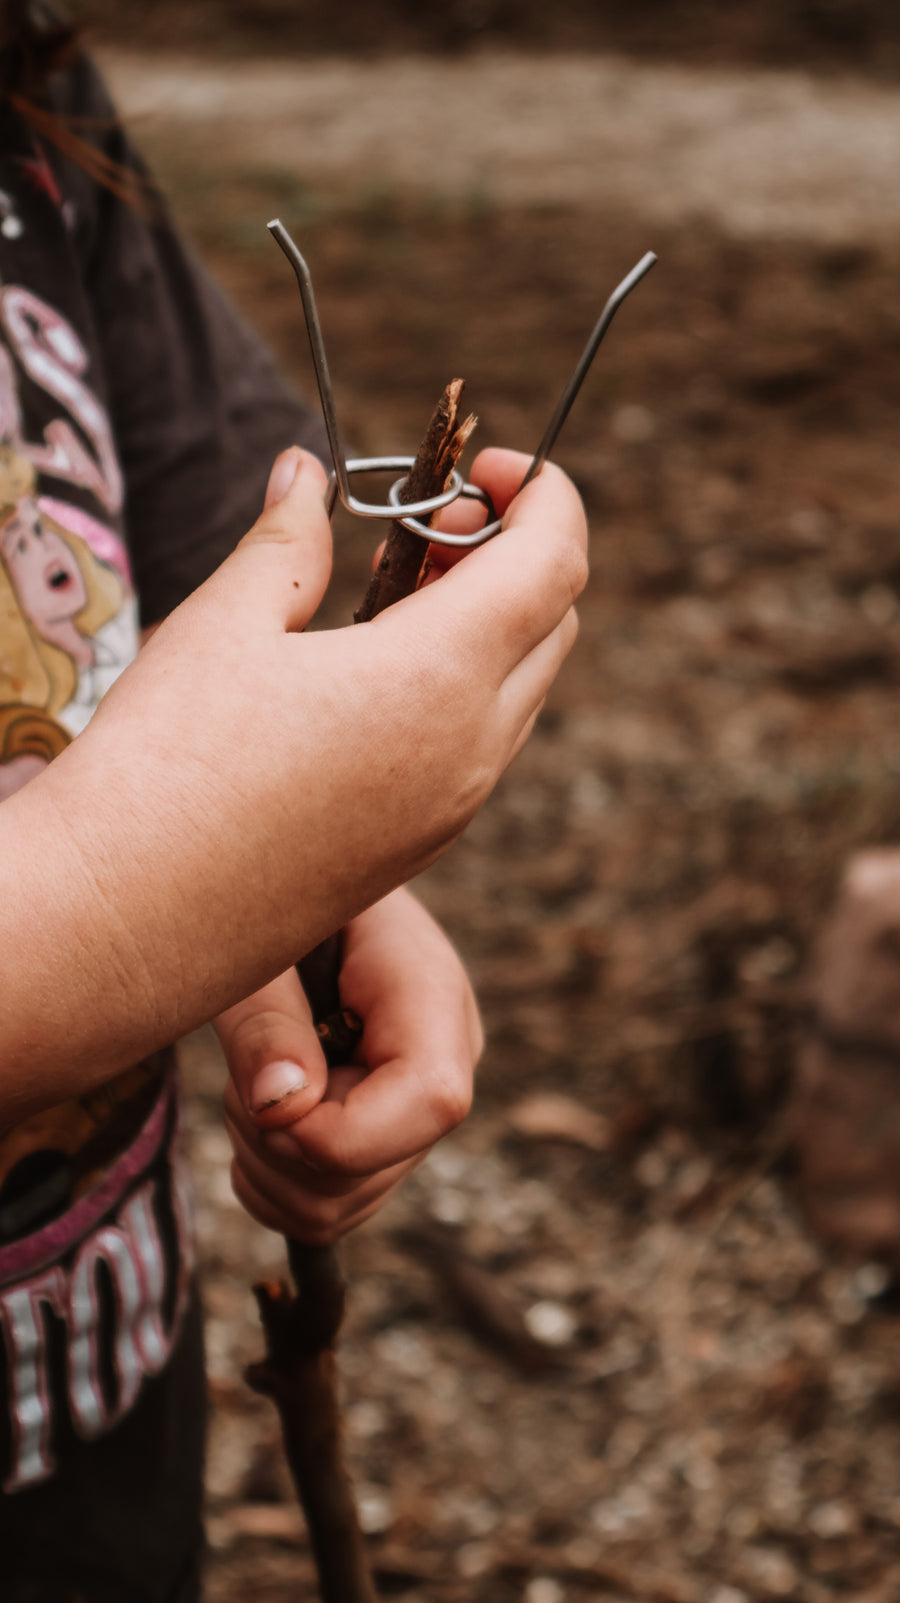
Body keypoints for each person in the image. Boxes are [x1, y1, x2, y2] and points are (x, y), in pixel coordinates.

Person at [0, 6, 587, 1600]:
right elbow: (125, 872)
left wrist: (314, 889)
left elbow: (203, 523)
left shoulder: (26, 101)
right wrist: (124, 903)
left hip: (85, 1354)